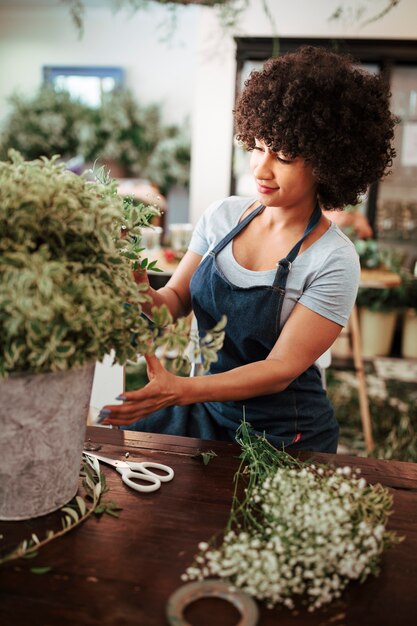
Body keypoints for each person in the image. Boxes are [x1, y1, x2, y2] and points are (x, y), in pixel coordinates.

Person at [99, 46, 396, 453]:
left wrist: (182, 389)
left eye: (284, 155)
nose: (260, 167)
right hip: (203, 411)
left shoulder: (333, 259)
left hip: (280, 436)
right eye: (257, 145)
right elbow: (174, 302)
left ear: (327, 161)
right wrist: (140, 293)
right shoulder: (222, 217)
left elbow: (279, 370)